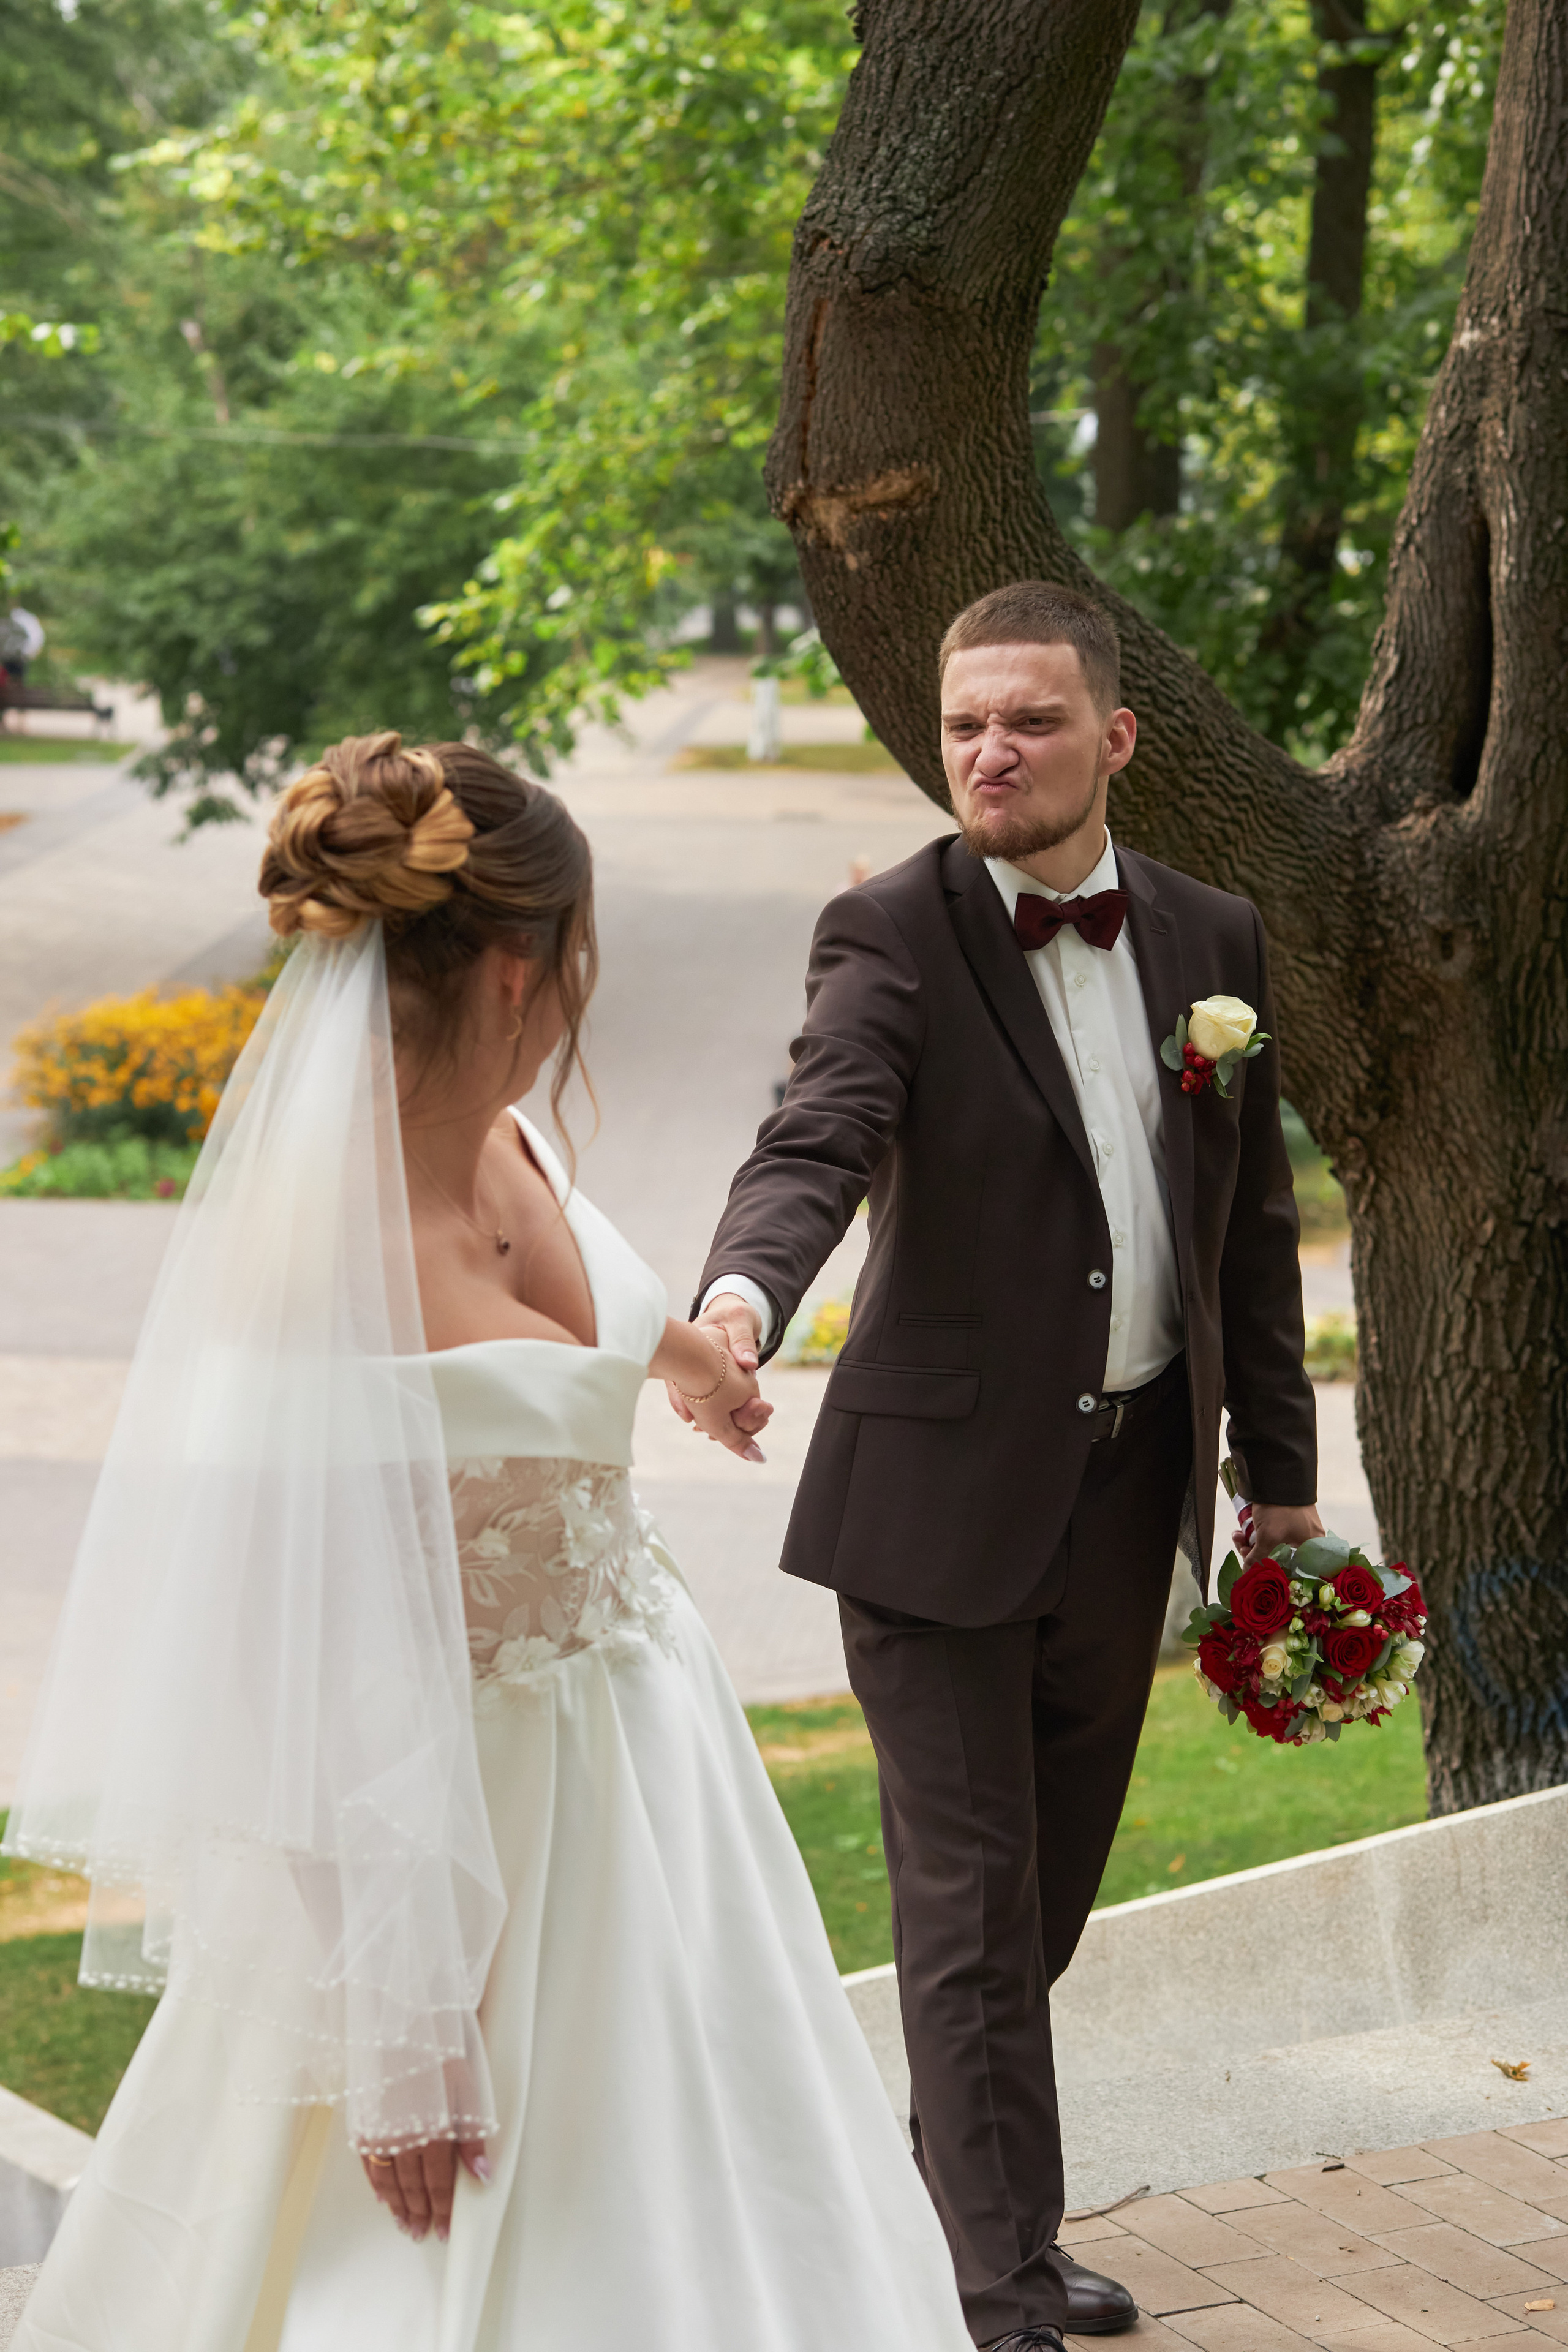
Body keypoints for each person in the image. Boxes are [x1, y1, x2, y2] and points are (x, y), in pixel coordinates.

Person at [4, 733, 973, 2352]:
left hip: (654, 1766)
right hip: (462, 1841)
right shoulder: (313, 1271)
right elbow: (284, 1683)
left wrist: (687, 1364)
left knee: (737, 2186)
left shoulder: (503, 1133)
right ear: (524, 962)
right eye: (583, 958)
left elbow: (578, 1300)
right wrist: (402, 2037)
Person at [687, 581, 1324, 2352]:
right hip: (935, 1508)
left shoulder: (1211, 936)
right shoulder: (888, 930)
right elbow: (816, 1131)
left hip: (1130, 1503)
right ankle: (994, 2286)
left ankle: (932, 2214)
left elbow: (1246, 1225)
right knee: (968, 1910)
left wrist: (1279, 1474)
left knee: (1040, 1904)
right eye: (968, 722)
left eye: (1030, 720)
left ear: (1113, 739)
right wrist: (742, 1301)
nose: (991, 750)